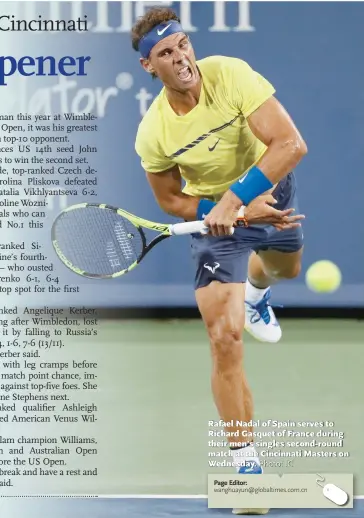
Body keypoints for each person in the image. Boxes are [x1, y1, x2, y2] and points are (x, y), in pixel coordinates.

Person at [132, 7, 307, 515]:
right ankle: (246, 467)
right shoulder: (154, 133)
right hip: (217, 229)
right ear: (150, 67)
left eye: (182, 44)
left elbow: (290, 143)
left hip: (269, 188)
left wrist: (241, 199)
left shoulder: (228, 72)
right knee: (223, 339)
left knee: (284, 269)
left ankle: (258, 290)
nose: (180, 57)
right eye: (165, 53)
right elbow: (170, 200)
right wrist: (219, 209)